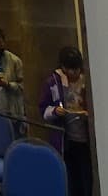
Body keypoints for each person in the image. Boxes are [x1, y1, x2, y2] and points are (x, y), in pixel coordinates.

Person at [39, 46, 91, 196]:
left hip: (86, 138)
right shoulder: (53, 83)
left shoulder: (87, 78)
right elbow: (43, 110)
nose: (75, 73)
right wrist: (55, 111)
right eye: (71, 70)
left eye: (77, 69)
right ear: (63, 67)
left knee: (86, 178)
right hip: (65, 140)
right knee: (70, 178)